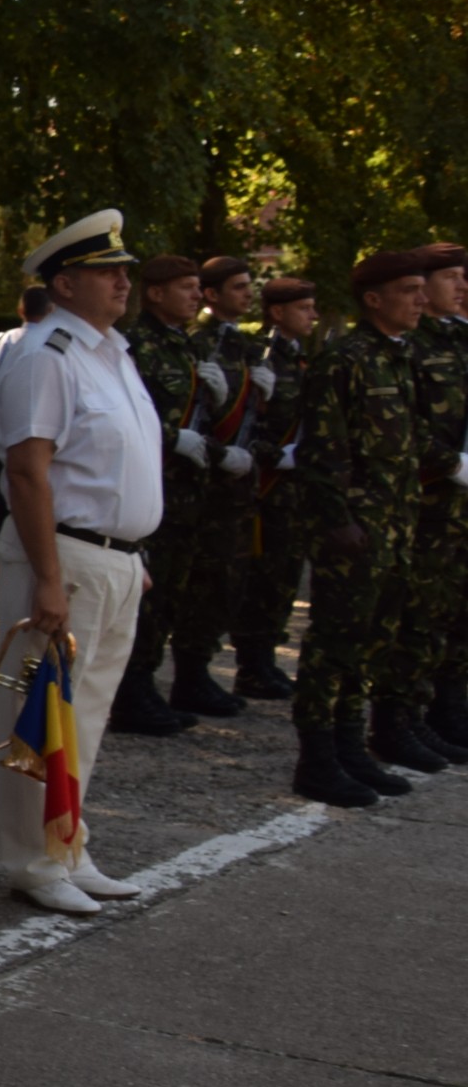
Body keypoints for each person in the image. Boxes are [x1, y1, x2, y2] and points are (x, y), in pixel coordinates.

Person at [0, 210, 162, 909]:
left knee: (85, 713)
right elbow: (28, 470)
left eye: (124, 270)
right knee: (41, 713)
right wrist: (50, 577)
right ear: (65, 282)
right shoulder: (45, 354)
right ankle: (33, 861)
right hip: (66, 554)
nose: (123, 281)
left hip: (114, 557)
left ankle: (66, 843)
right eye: (106, 271)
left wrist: (131, 551)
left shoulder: (110, 351)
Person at [288, 250, 435, 804]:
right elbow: (321, 451)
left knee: (371, 643)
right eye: (410, 290)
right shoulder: (343, 360)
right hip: (354, 532)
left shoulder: (398, 358)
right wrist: (337, 521)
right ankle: (317, 759)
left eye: (424, 288)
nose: (421, 300)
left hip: (395, 526)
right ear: (374, 299)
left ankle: (351, 748)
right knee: (333, 645)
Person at [118, 255, 234, 731]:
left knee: (174, 593)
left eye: (197, 287)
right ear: (156, 293)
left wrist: (220, 402)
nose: (195, 295)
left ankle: (151, 682)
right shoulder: (137, 346)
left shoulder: (186, 347)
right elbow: (127, 419)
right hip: (155, 488)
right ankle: (131, 691)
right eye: (186, 287)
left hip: (189, 495)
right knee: (148, 596)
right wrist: (172, 438)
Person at [231, 276, 318, 699]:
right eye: (304, 308)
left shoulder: (305, 358)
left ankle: (265, 657)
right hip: (267, 485)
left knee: (285, 576)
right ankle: (251, 663)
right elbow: (244, 423)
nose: (313, 316)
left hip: (297, 488)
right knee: (263, 577)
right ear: (278, 312)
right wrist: (275, 455)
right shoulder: (259, 356)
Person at [399, 241, 468, 759]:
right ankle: (404, 715)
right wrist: (452, 464)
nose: (462, 286)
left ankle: (449, 707)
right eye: (451, 278)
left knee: (458, 612)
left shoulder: (460, 340)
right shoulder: (412, 347)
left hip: (462, 507)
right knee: (419, 613)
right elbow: (403, 427)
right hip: (429, 502)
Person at [190, 255, 267, 703]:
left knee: (228, 582)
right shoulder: (201, 342)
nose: (247, 293)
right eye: (238, 287)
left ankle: (201, 670)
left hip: (240, 484)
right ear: (212, 294)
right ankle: (190, 672)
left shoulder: (247, 346)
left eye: (248, 285)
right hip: (206, 485)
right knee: (204, 581)